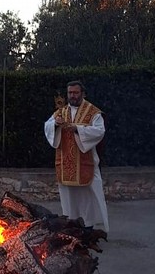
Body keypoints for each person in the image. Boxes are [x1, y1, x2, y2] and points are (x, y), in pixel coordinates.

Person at [44, 80, 109, 233]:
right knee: (68, 197)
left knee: (86, 197)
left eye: (75, 92)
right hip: (65, 162)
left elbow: (99, 131)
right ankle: (71, 227)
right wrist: (55, 125)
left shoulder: (93, 112)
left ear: (83, 93)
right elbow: (47, 126)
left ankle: (87, 228)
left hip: (85, 162)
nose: (72, 96)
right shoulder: (61, 111)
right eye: (70, 93)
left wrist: (78, 129)